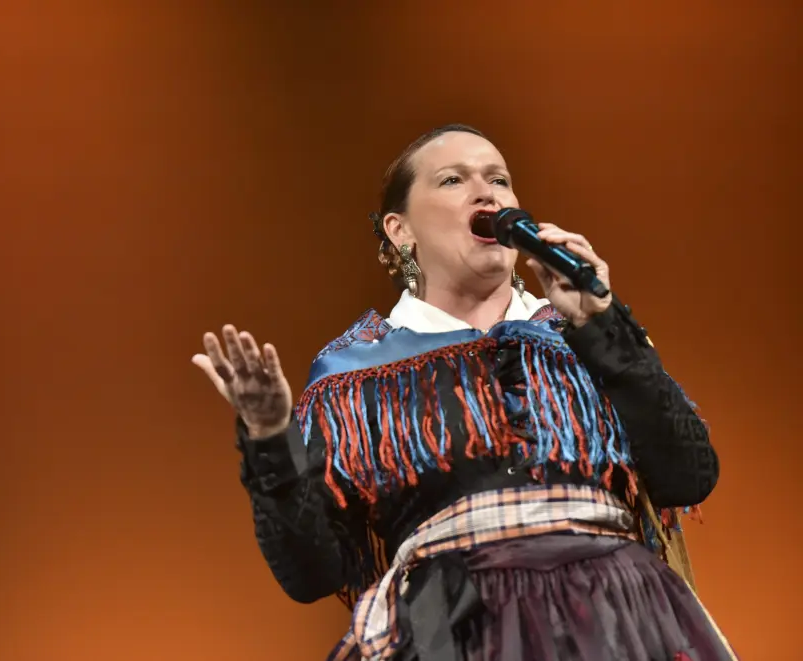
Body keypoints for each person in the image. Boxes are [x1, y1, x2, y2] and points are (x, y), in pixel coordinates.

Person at [192, 124, 735, 660]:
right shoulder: (353, 374)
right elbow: (311, 572)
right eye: (453, 180)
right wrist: (268, 436)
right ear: (400, 230)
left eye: (499, 179)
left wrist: (603, 329)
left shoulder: (585, 336)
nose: (487, 192)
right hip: (454, 633)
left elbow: (689, 475)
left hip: (615, 622)